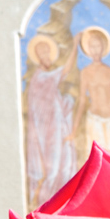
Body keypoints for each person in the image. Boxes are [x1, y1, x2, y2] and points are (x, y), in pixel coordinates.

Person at [24, 35, 76, 209]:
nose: (46, 56)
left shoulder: (46, 79)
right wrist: (75, 44)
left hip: (57, 132)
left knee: (64, 170)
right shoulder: (41, 78)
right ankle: (43, 212)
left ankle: (61, 210)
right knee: (52, 172)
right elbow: (67, 69)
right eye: (42, 53)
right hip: (47, 134)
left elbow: (58, 105)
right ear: (37, 57)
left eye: (48, 52)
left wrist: (69, 100)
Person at [74, 27, 110, 160]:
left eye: (98, 46)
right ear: (88, 50)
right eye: (92, 46)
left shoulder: (109, 72)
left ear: (103, 48)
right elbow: (82, 100)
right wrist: (74, 129)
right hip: (94, 119)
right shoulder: (85, 72)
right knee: (96, 160)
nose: (95, 50)